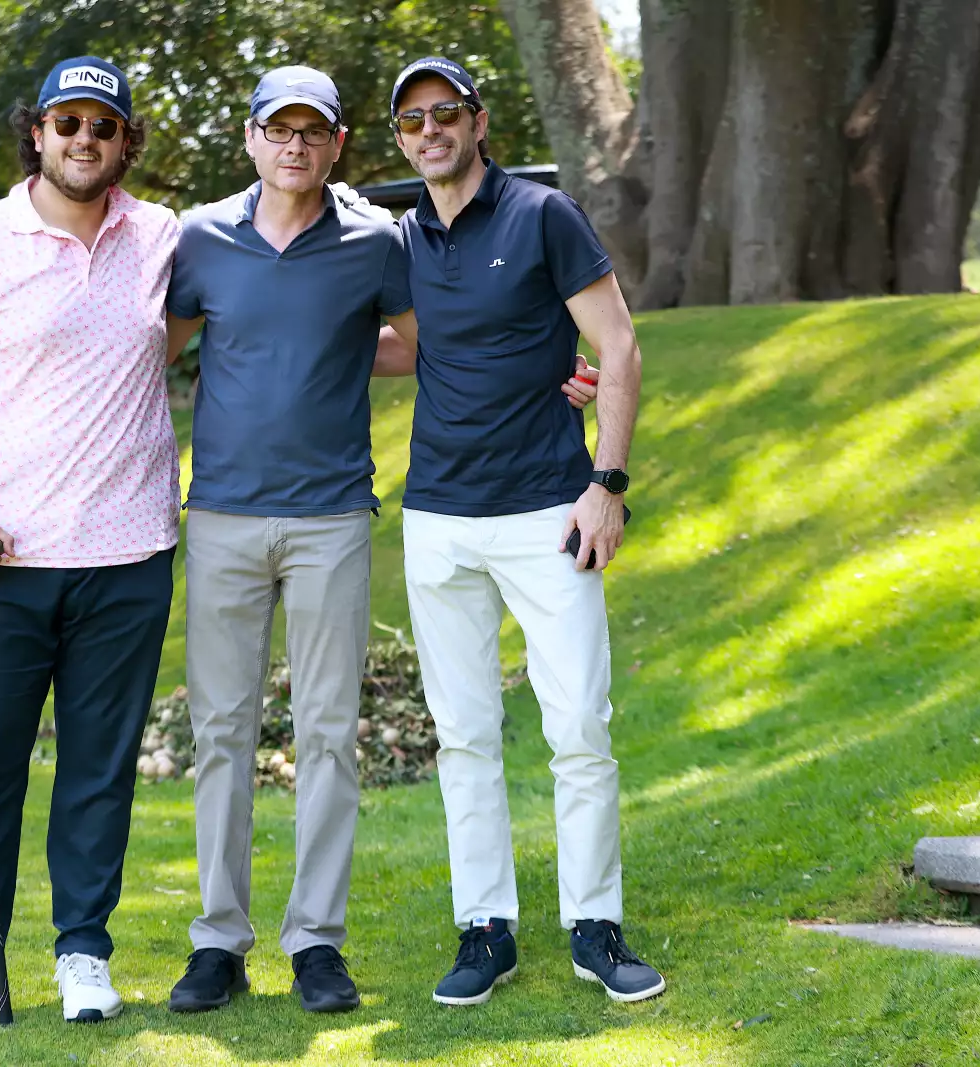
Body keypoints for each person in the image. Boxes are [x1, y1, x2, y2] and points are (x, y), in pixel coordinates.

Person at [161, 65, 599, 1015]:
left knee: (326, 734)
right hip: (225, 515)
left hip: (331, 517)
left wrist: (553, 373)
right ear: (250, 140)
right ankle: (218, 942)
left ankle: (316, 941)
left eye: (311, 131)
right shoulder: (197, 239)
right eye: (277, 130)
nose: (294, 146)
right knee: (223, 732)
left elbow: (430, 340)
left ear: (337, 143)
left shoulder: (373, 240)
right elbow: (148, 350)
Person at [375, 56, 666, 1006]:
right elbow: (409, 348)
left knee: (579, 725)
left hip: (549, 508)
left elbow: (616, 344)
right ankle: (484, 928)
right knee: (464, 737)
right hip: (438, 519)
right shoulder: (401, 239)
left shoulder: (544, 216)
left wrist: (607, 484)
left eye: (445, 112)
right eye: (412, 119)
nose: (430, 130)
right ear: (400, 137)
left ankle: (595, 926)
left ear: (478, 119)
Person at [0, 56, 180, 1033]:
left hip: (128, 558)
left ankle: (84, 951)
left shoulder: (165, 243)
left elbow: (247, 318)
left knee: (100, 767)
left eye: (102, 125)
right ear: (38, 132)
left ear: (124, 142)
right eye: (66, 122)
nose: (83, 139)